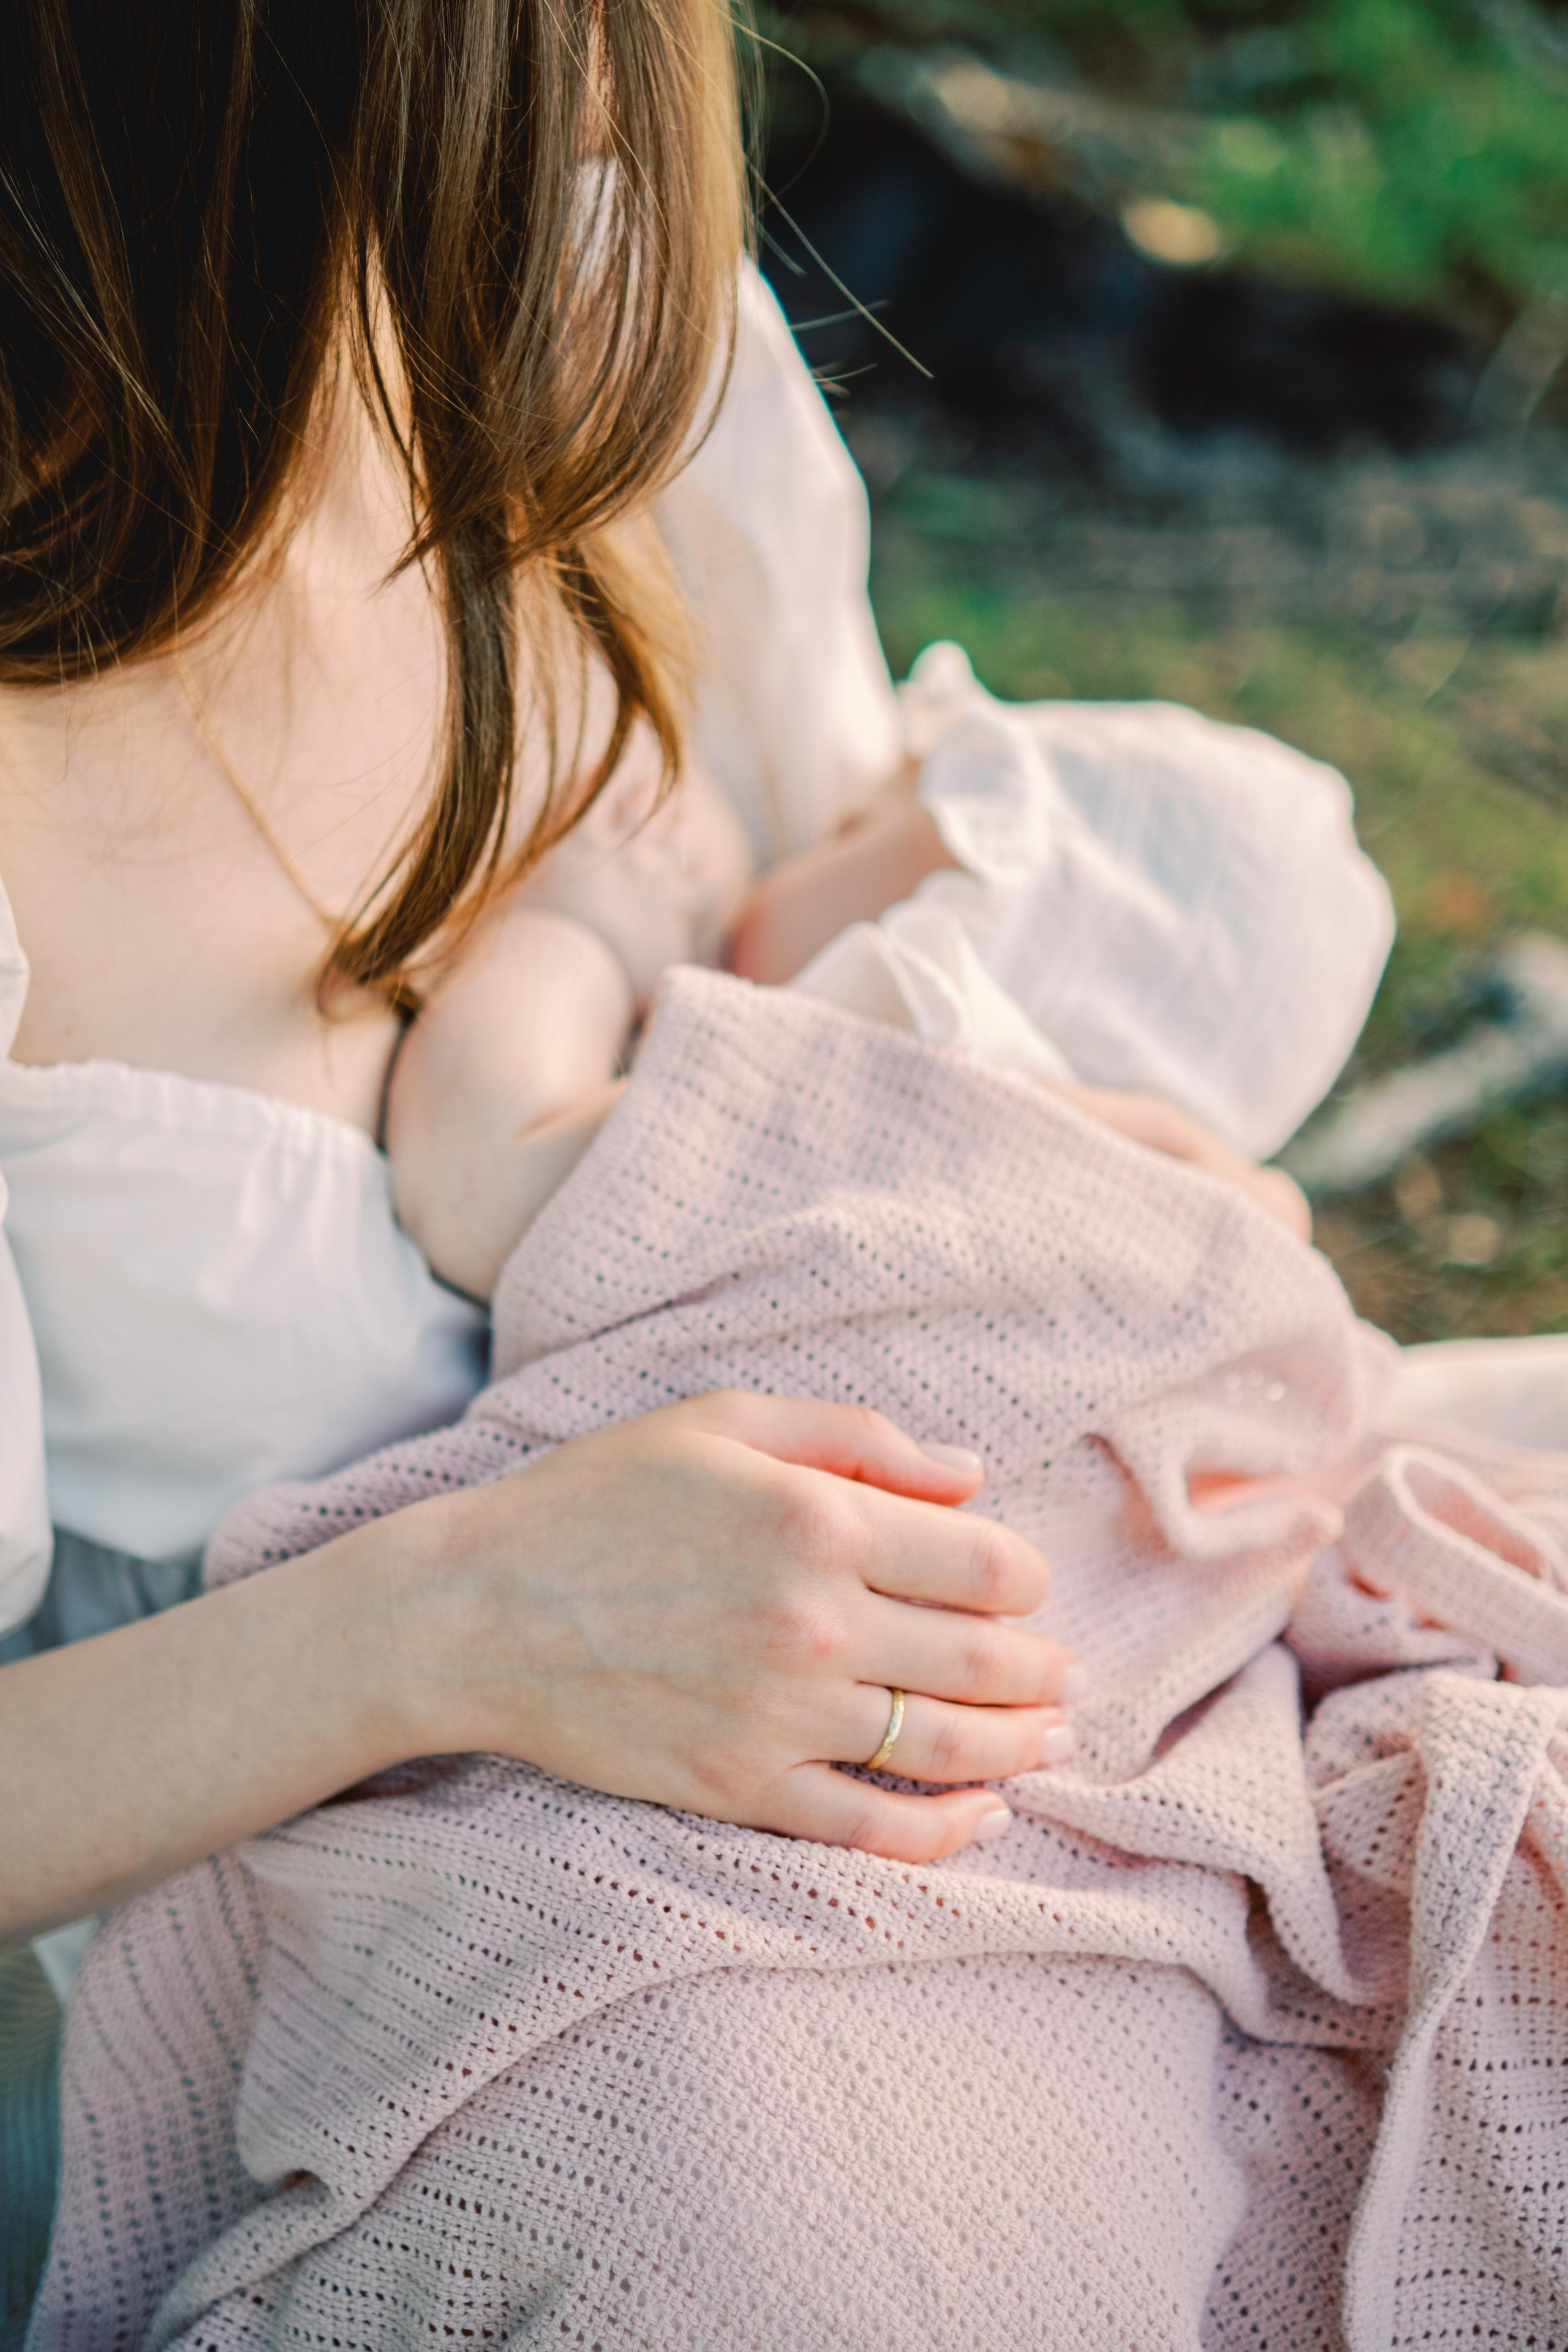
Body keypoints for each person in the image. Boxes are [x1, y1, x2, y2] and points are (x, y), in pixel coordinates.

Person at [0, 0, 1420, 2324]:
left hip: (957, 1640)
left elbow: (853, 948)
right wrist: (466, 1619)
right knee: (766, 2226)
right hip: (322, 1817)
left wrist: (1081, 1202)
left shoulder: (573, 294)